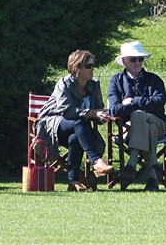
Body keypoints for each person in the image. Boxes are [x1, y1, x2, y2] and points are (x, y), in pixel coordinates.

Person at [33, 50, 114, 192]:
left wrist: (101, 116)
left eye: (93, 65)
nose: (92, 69)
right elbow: (67, 111)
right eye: (88, 66)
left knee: (75, 138)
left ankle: (73, 181)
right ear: (77, 68)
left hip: (78, 130)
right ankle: (96, 161)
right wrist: (92, 113)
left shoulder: (94, 85)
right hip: (53, 123)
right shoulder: (64, 84)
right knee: (79, 122)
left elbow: (97, 109)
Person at [107, 41, 166, 191]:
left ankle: (131, 165)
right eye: (133, 59)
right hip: (129, 128)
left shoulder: (154, 80)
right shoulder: (116, 81)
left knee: (139, 116)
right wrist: (142, 107)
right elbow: (114, 109)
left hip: (158, 122)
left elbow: (159, 102)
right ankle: (153, 178)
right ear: (125, 61)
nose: (138, 62)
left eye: (140, 59)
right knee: (145, 125)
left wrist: (133, 101)